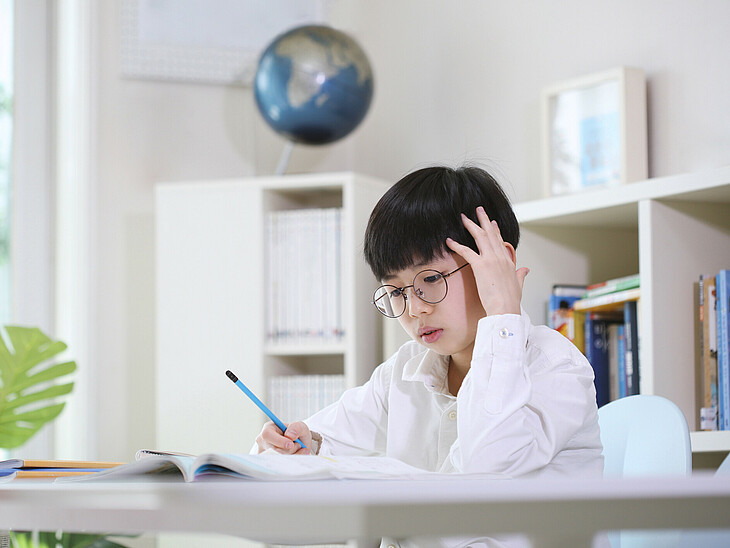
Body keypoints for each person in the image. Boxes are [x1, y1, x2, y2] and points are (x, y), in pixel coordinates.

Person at [254, 165, 604, 547]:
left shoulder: (555, 366)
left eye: (430, 280)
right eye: (396, 290)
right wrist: (295, 447)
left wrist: (502, 311)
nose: (414, 309)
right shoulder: (404, 371)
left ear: (495, 261)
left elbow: (490, 470)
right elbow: (318, 444)